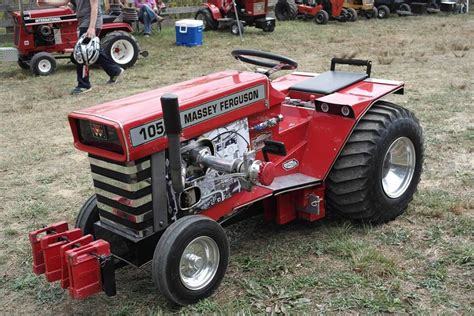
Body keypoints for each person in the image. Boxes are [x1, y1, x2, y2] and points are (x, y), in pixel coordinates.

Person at [71, 0, 124, 95]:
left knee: (83, 53)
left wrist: (91, 27)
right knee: (92, 51)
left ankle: (84, 84)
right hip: (83, 22)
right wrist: (45, 2)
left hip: (91, 22)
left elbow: (94, 6)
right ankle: (115, 71)